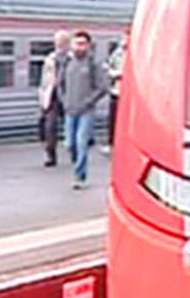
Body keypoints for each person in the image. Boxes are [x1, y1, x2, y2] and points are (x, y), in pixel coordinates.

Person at [57, 30, 110, 190]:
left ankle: (79, 175)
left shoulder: (93, 64)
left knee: (81, 143)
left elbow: (102, 87)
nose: (79, 47)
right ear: (72, 45)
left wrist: (88, 102)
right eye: (77, 43)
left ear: (88, 45)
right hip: (70, 110)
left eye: (83, 44)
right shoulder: (67, 63)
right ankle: (77, 164)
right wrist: (64, 101)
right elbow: (60, 84)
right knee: (70, 144)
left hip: (86, 111)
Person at [38, 30, 70, 166]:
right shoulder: (49, 59)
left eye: (63, 42)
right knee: (50, 126)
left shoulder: (73, 59)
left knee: (72, 125)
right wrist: (42, 96)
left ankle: (75, 150)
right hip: (53, 95)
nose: (60, 45)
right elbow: (44, 79)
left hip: (69, 96)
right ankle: (50, 155)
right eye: (58, 42)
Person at [106, 31, 128, 146]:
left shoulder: (134, 53)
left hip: (129, 92)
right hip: (116, 90)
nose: (125, 40)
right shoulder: (117, 53)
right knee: (113, 117)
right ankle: (112, 142)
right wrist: (115, 73)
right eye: (123, 38)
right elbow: (107, 67)